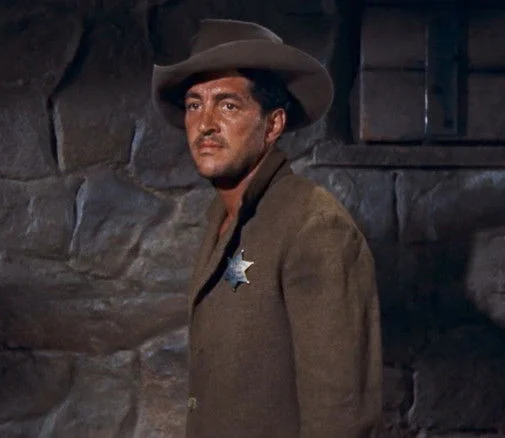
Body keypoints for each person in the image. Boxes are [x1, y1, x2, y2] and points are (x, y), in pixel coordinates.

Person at [151, 18, 383, 438]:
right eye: (194, 105)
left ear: (273, 125)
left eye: (228, 106)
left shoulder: (314, 225)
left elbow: (341, 416)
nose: (205, 124)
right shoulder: (223, 218)